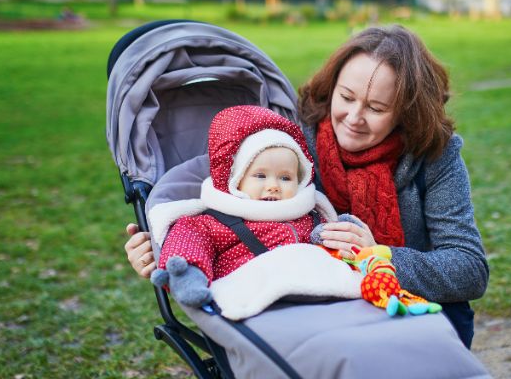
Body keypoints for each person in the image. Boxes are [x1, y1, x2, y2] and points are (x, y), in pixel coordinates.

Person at [124, 25, 489, 348]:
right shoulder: (292, 144)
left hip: (411, 306)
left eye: (377, 108)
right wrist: (160, 246)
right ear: (332, 88)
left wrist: (381, 256)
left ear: (407, 112)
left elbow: (470, 268)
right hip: (313, 311)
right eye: (346, 97)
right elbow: (226, 209)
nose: (354, 118)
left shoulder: (433, 155)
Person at [148, 105, 348, 313]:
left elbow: (335, 242)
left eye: (285, 177)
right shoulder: (215, 221)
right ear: (237, 179)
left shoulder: (308, 215)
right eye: (260, 176)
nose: (273, 185)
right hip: (253, 298)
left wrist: (346, 235)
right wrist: (189, 273)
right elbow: (189, 240)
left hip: (320, 291)